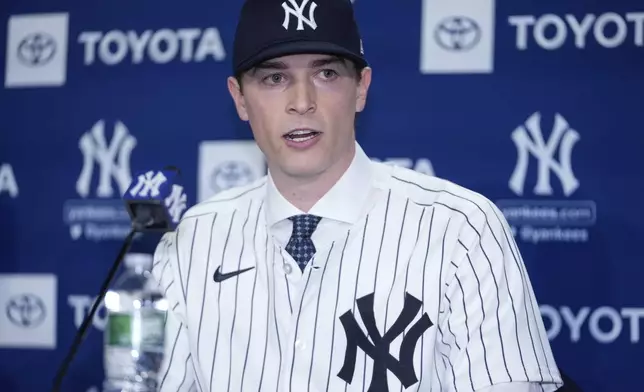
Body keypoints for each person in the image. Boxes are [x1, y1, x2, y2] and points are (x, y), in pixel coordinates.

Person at [151, 0, 564, 390]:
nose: (301, 102)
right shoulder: (192, 240)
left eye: (325, 74)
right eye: (274, 78)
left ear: (361, 87)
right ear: (239, 98)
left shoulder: (460, 229)